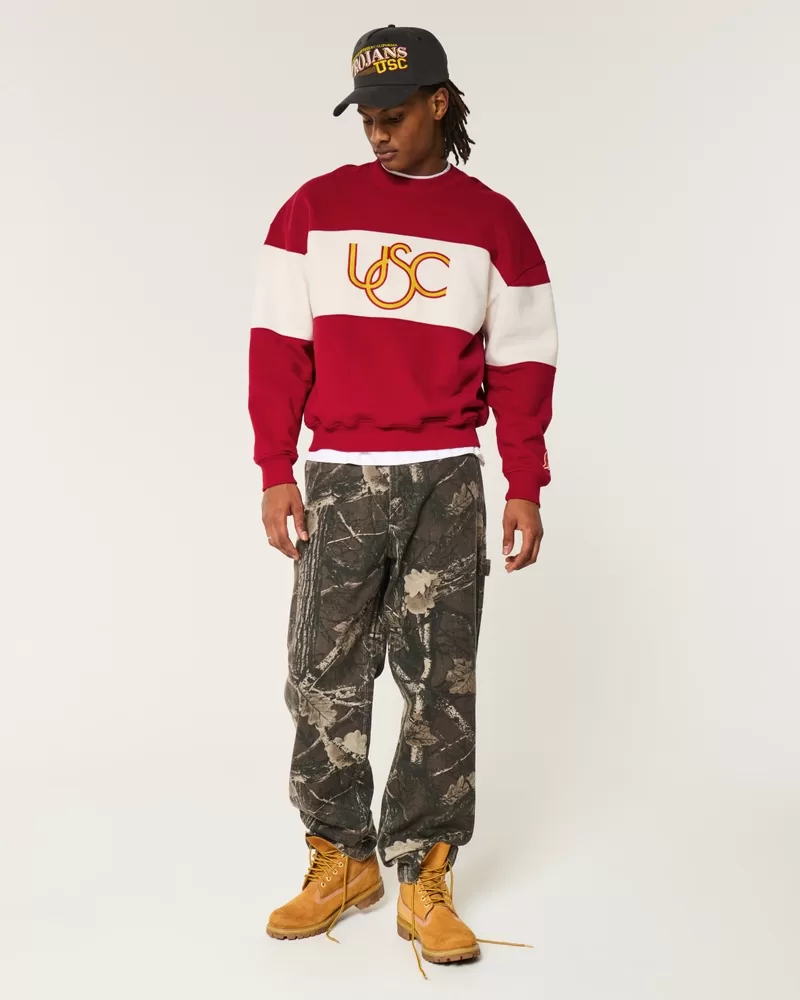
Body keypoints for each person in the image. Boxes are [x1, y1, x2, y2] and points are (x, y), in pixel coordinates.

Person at [248, 24, 558, 973]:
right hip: (339, 475)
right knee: (321, 671)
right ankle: (342, 858)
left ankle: (425, 872)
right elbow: (278, 347)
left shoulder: (493, 222)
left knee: (440, 682)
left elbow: (523, 360)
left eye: (393, 115)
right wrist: (274, 467)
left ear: (438, 102)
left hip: (447, 479)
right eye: (366, 119)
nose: (378, 133)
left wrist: (525, 480)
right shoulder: (313, 210)